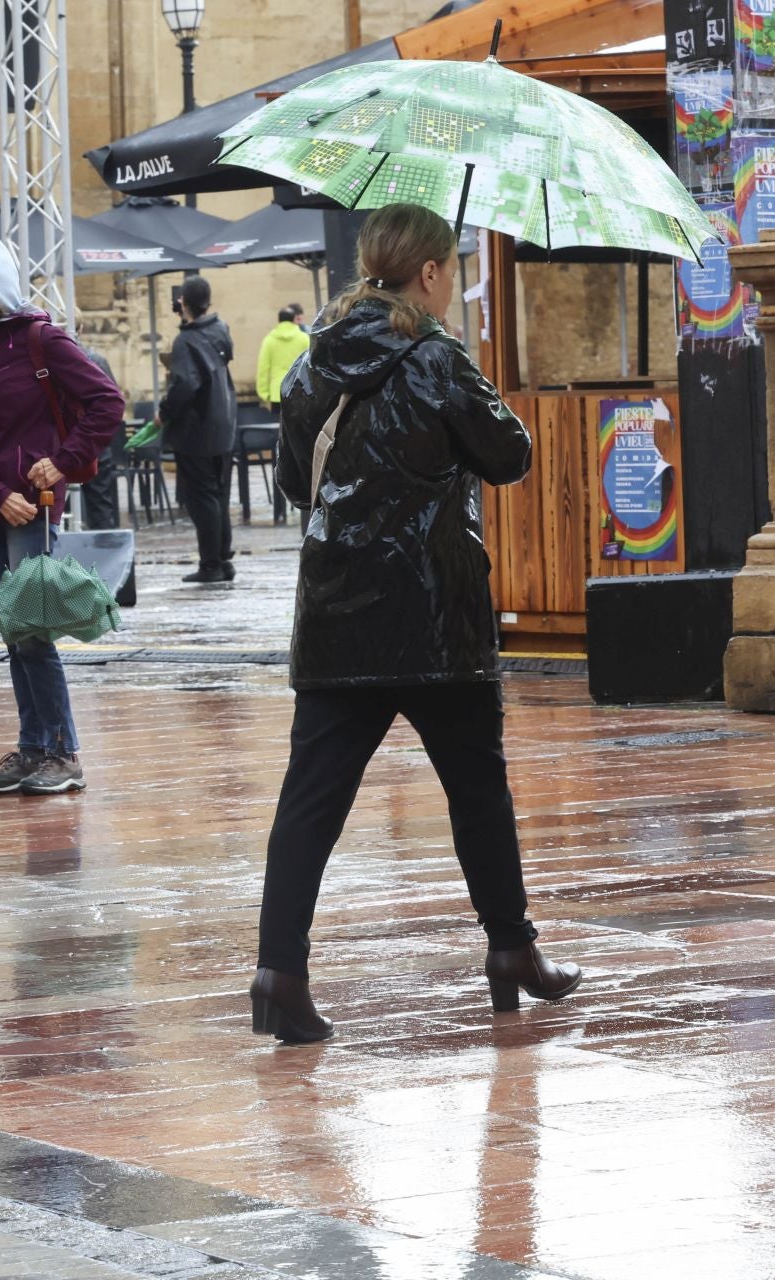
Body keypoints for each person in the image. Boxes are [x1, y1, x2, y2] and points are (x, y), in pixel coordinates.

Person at [248, 203, 581, 1043]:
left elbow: (295, 482)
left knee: (309, 806)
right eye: (451, 271)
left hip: (337, 615)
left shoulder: (316, 360)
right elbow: (510, 455)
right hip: (438, 617)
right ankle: (512, 953)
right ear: (430, 272)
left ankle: (277, 973)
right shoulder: (440, 357)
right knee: (478, 796)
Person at [0, 239, 122, 797]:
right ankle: (33, 746)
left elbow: (107, 402)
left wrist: (61, 465)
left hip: (34, 508)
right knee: (14, 629)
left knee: (34, 628)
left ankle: (61, 752)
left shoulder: (42, 339)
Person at [159, 275, 237, 583]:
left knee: (202, 498)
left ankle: (210, 564)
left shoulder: (186, 340)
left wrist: (163, 414)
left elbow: (185, 384)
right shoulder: (220, 329)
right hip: (224, 422)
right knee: (218, 495)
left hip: (197, 428)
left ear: (182, 303)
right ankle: (223, 558)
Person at [255, 305, 311, 417]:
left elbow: (263, 368)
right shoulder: (304, 338)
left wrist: (264, 393)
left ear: (279, 320)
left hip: (277, 392)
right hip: (300, 391)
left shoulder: (269, 340)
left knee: (279, 428)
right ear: (294, 319)